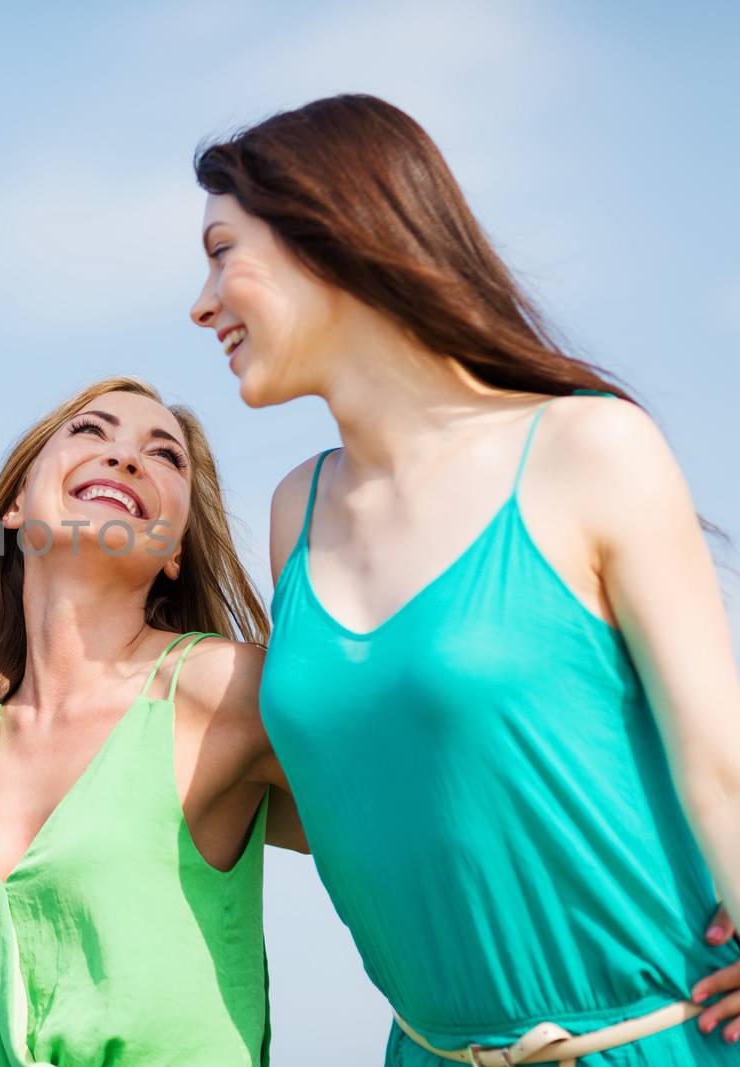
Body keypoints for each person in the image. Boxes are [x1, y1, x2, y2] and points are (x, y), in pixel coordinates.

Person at [190, 93, 740, 1065]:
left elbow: (720, 769)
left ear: (327, 235)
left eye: (223, 250)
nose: (202, 302)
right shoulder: (296, 509)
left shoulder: (589, 446)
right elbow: (367, 789)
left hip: (655, 1039)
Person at [0, 377, 301, 1066]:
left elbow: (415, 827)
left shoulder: (225, 689)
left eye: (164, 455)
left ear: (176, 548)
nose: (125, 458)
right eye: (92, 431)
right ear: (15, 505)